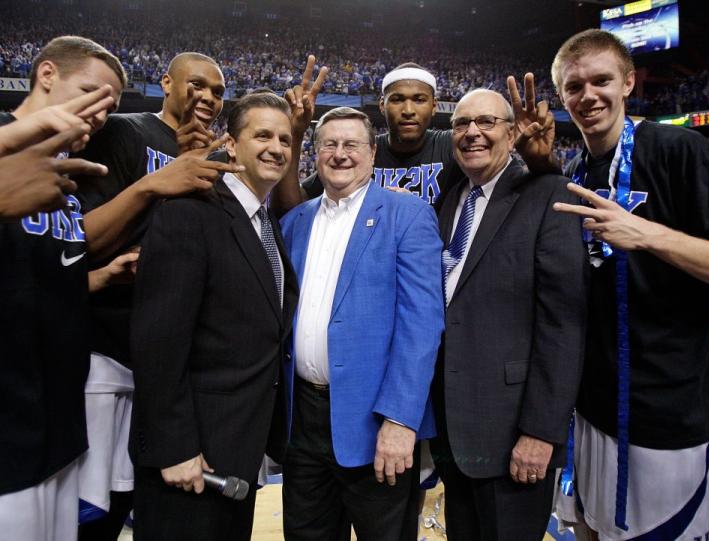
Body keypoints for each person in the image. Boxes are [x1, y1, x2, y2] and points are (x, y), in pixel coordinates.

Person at [551, 29, 709, 539]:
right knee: (593, 530)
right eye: (574, 87)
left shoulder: (678, 148)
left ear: (629, 83)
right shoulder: (577, 169)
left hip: (669, 408)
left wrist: (650, 234)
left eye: (601, 81)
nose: (588, 95)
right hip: (594, 407)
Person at [71, 51, 243, 540]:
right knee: (87, 508)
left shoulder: (217, 155)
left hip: (166, 362)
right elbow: (84, 237)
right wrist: (159, 185)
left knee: (137, 498)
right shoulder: (125, 132)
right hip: (105, 351)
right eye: (197, 85)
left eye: (217, 91)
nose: (207, 97)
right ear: (166, 82)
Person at [129, 90, 298, 540]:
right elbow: (157, 342)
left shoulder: (265, 222)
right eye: (261, 135)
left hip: (236, 452)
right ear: (230, 144)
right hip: (190, 457)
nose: (276, 147)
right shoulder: (189, 212)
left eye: (285, 138)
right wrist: (175, 447)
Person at [279, 106, 444, 541]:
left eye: (351, 144)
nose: (340, 154)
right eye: (329, 144)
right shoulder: (294, 221)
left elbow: (422, 326)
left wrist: (400, 420)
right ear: (315, 154)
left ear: (372, 153)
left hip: (376, 425)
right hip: (303, 422)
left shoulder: (407, 214)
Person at [428, 88, 587, 540]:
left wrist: (541, 431)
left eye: (487, 122)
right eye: (461, 124)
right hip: (453, 431)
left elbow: (563, 324)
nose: (472, 133)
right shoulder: (449, 198)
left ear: (513, 131)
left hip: (515, 432)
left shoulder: (548, 194)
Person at [0, 35, 125, 541]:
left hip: (56, 420)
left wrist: (99, 277)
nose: (99, 112)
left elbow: (35, 277)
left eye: (110, 106)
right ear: (47, 74)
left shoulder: (65, 174)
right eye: (90, 92)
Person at [274, 62, 557, 215]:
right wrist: (295, 135)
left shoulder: (455, 144)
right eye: (397, 100)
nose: (408, 110)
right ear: (382, 105)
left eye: (419, 100)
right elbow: (293, 207)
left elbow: (522, 184)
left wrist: (538, 157)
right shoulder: (362, 153)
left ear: (434, 106)